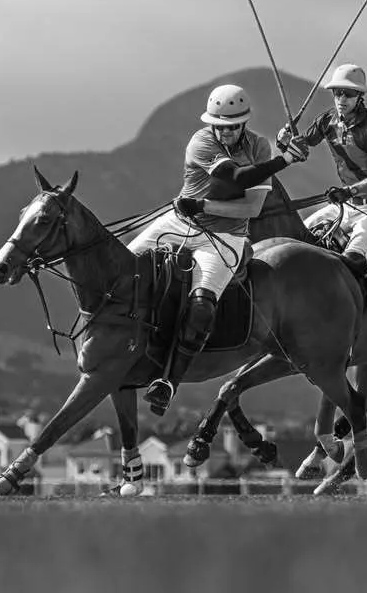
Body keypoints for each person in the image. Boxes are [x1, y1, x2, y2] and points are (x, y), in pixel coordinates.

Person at [127, 84, 309, 415]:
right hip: (181, 223)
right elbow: (235, 177)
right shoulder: (202, 140)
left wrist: (205, 206)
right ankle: (119, 344)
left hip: (227, 238)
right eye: (219, 125)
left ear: (244, 123)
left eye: (231, 127)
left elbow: (252, 209)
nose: (224, 132)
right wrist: (285, 161)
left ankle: (168, 381)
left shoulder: (258, 146)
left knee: (202, 305)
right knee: (128, 267)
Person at [278, 63, 367, 307]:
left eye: (348, 93)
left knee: (353, 257)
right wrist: (285, 141)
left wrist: (348, 191)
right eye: (337, 93)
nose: (341, 98)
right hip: (346, 203)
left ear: (360, 96)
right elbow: (302, 149)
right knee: (294, 239)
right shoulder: (327, 120)